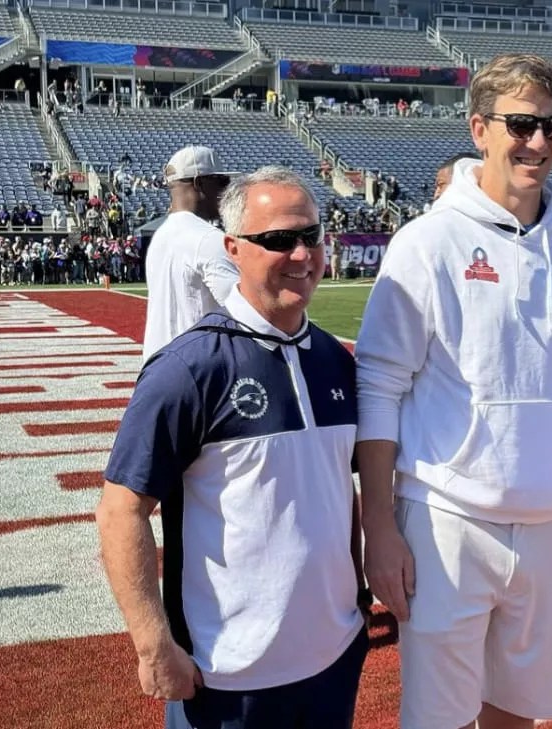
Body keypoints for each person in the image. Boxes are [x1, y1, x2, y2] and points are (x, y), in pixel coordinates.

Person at [354, 53, 552, 729]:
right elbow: (379, 384)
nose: (538, 143)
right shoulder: (427, 241)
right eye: (521, 125)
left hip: (549, 521)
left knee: (518, 715)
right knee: (437, 718)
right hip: (447, 517)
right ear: (479, 128)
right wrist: (377, 524)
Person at [97, 166, 368, 729]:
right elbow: (120, 510)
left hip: (334, 659)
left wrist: (357, 605)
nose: (301, 254)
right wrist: (153, 645)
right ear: (232, 248)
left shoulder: (335, 359)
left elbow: (340, 486)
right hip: (227, 678)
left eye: (311, 236)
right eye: (277, 240)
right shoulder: (188, 369)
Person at [141, 145, 239, 363]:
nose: (227, 191)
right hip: (195, 367)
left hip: (157, 365)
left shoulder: (160, 236)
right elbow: (245, 312)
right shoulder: (208, 238)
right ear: (199, 183)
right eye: (221, 182)